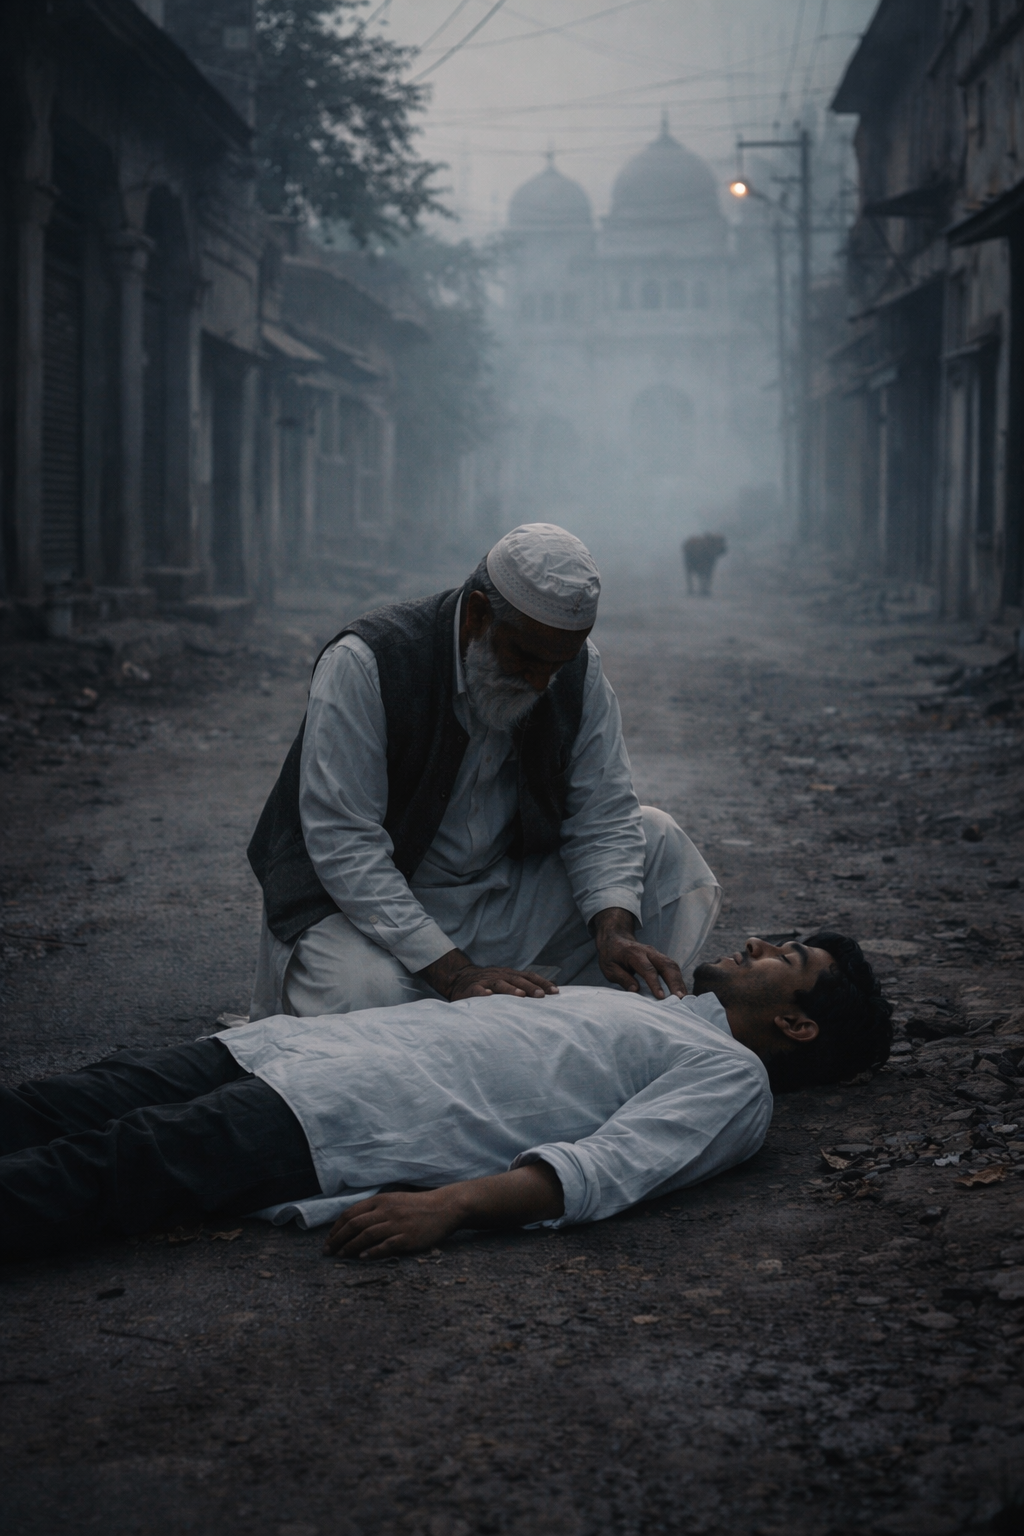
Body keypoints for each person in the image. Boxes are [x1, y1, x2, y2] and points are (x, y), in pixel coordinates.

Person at [0, 934, 893, 1261]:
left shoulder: (732, 1081)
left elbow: (605, 1171)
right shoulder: (656, 1009)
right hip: (291, 1050)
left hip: (341, 1117)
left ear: (800, 1027)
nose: (758, 941)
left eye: (789, 959)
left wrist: (453, 1207)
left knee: (102, 1167)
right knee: (65, 1103)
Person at [247, 523, 721, 1020]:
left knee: (657, 839)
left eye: (556, 665)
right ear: (477, 615)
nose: (539, 682)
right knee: (365, 1000)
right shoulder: (367, 663)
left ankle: (591, 1036)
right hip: (361, 906)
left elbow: (603, 814)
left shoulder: (575, 667)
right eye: (525, 658)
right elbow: (345, 844)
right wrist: (452, 971)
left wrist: (614, 929)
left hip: (495, 894)